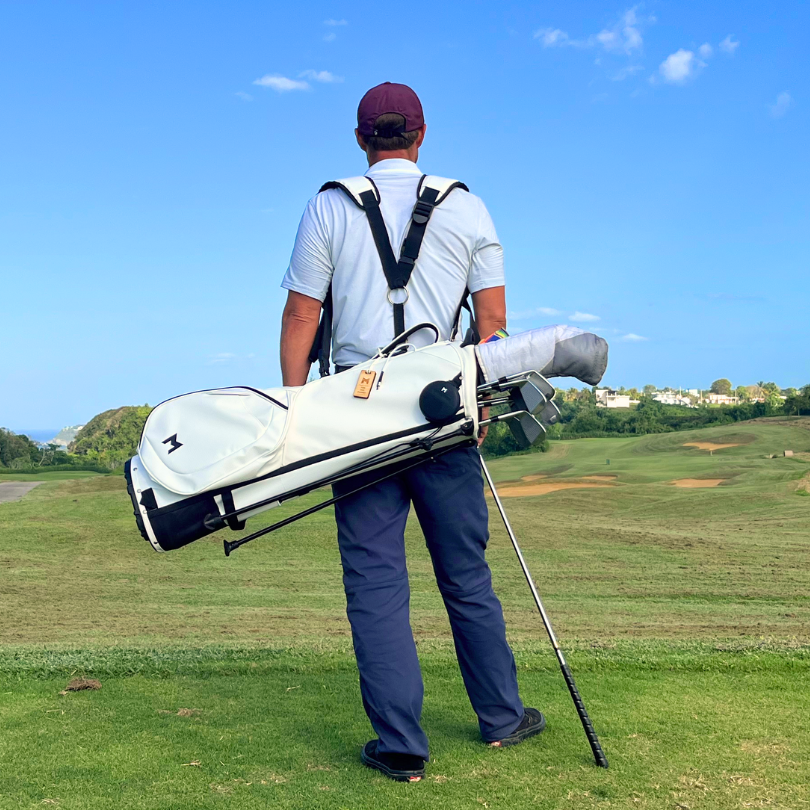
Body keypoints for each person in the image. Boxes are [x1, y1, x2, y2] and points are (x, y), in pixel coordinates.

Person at [279, 82, 544, 782]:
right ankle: (500, 717)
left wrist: (296, 410)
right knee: (466, 574)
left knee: (374, 580)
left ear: (362, 138)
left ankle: (401, 748)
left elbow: (302, 319)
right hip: (444, 411)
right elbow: (492, 327)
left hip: (355, 418)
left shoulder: (328, 205)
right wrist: (487, 402)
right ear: (420, 134)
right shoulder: (467, 205)